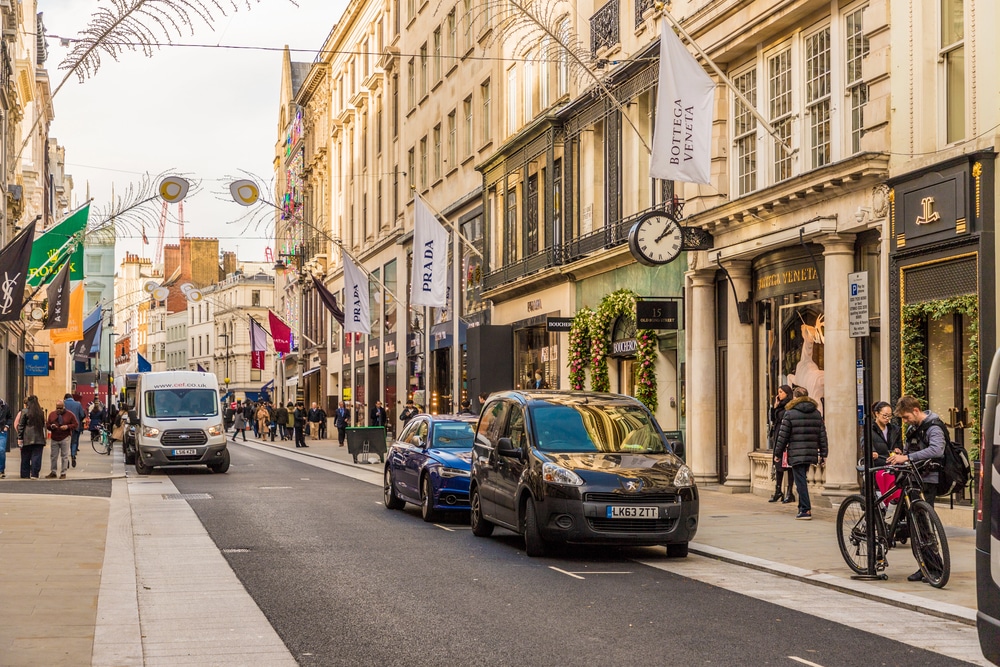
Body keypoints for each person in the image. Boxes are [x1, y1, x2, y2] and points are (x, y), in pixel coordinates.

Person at [891, 395, 947, 583]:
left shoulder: (934, 427)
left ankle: (933, 568)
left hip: (928, 480)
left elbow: (937, 450)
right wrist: (901, 456)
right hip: (913, 478)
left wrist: (907, 458)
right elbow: (909, 450)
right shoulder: (912, 428)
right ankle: (925, 566)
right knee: (916, 524)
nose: (905, 421)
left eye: (906, 417)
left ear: (916, 410)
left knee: (923, 524)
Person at [773, 386, 828, 521]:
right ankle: (801, 507)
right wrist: (823, 454)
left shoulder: (790, 413)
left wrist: (777, 453)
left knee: (800, 481)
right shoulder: (816, 413)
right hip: (810, 451)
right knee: (802, 478)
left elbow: (783, 436)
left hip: (796, 452)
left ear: (795, 397)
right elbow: (822, 435)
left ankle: (805, 509)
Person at [768, 385, 794, 503]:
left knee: (788, 466)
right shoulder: (779, 406)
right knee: (778, 464)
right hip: (778, 436)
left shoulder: (790, 406)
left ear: (787, 393)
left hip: (786, 438)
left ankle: (790, 492)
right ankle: (778, 490)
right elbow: (773, 420)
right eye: (778, 392)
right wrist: (775, 407)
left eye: (781, 392)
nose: (779, 394)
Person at [45, 400, 79, 479]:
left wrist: (67, 427)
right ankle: (53, 472)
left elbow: (76, 424)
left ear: (64, 407)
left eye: (60, 408)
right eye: (57, 408)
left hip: (65, 437)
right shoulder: (52, 414)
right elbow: (47, 424)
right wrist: (51, 426)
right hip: (54, 437)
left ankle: (63, 473)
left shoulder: (70, 414)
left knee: (64, 456)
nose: (59, 410)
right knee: (53, 456)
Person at [17, 396, 46, 479]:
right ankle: (34, 473)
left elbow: (21, 425)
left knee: (25, 456)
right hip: (39, 438)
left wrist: (19, 438)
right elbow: (43, 425)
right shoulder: (40, 412)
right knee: (37, 456)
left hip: (27, 437)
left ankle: (25, 474)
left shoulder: (25, 411)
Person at [868, 401, 901, 468]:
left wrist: (898, 450)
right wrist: (873, 452)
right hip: (878, 465)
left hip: (893, 465)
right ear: (877, 414)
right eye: (885, 415)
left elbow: (899, 445)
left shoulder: (895, 430)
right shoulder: (869, 429)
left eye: (890, 416)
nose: (887, 418)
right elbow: (865, 443)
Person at [63, 393, 87, 468]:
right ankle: (73, 455)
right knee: (74, 442)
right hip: (75, 426)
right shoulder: (78, 404)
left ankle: (66, 459)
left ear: (65, 398)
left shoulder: (63, 403)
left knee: (65, 443)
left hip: (65, 427)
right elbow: (82, 415)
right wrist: (78, 421)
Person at [0, 397, 12, 479]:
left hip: (2, 431)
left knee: (1, 450)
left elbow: (10, 417)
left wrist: (7, 426)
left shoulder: (5, 406)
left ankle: (1, 470)